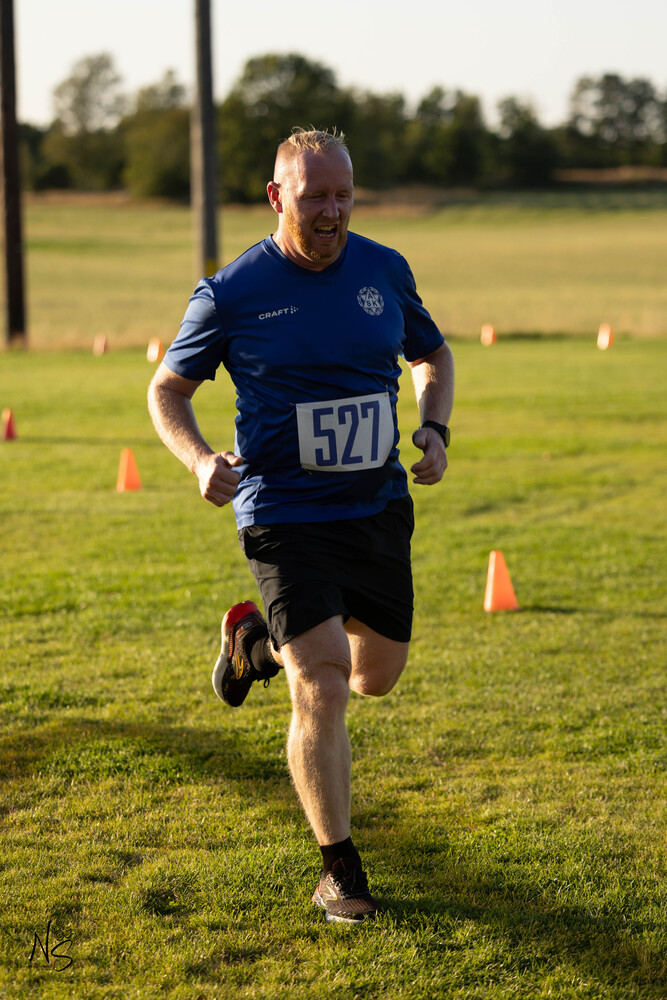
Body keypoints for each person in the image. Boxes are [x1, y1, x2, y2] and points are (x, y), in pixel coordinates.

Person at [147, 128, 454, 924]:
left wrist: (433, 426)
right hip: (282, 510)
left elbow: (432, 355)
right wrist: (198, 459)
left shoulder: (384, 269)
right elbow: (167, 391)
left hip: (375, 507)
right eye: (315, 195)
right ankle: (339, 869)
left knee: (372, 676)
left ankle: (253, 645)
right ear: (277, 197)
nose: (331, 210)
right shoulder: (230, 292)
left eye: (343, 194)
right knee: (320, 679)